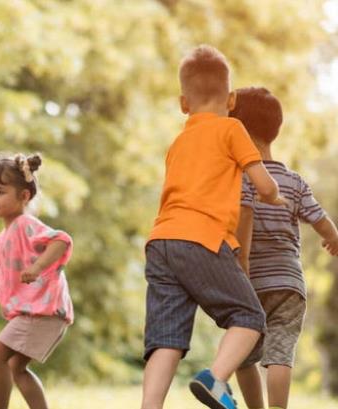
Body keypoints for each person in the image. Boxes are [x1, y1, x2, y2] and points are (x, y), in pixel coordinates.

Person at [140, 45, 285, 409]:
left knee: (166, 339)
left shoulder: (178, 142)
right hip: (201, 239)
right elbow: (264, 184)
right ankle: (216, 379)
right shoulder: (231, 128)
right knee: (249, 317)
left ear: (182, 103)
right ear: (231, 98)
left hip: (161, 242)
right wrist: (275, 196)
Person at [231, 87, 338, 409]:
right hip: (290, 284)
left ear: (238, 132)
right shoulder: (294, 181)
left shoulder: (240, 179)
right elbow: (322, 221)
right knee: (281, 353)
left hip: (250, 281)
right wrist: (332, 238)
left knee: (242, 355)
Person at [0, 154, 74, 409]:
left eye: (0, 192)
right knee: (16, 367)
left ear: (24, 196)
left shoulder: (25, 224)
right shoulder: (5, 236)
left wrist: (37, 267)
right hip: (44, 313)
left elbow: (61, 240)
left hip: (42, 311)